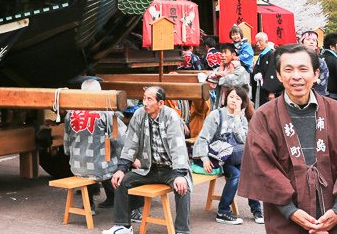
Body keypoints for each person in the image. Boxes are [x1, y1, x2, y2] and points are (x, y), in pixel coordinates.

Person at [238, 44, 337, 234]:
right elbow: (263, 170)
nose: (296, 76)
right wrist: (291, 212)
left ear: (316, 73)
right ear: (279, 75)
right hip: (287, 220)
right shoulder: (264, 118)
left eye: (303, 69)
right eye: (288, 69)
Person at [102, 86, 192, 234]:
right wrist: (121, 169)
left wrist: (181, 174)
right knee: (121, 181)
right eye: (144, 98)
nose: (145, 102)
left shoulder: (171, 116)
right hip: (148, 168)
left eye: (149, 99)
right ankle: (123, 226)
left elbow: (178, 147)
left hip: (171, 169)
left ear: (161, 103)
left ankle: (182, 231)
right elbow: (130, 142)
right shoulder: (139, 115)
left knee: (183, 187)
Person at [192, 85, 263, 225]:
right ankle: (223, 212)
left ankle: (256, 210)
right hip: (219, 158)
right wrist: (205, 159)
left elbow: (243, 139)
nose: (234, 100)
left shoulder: (242, 119)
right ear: (225, 98)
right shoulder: (216, 115)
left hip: (235, 156)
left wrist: (237, 117)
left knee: (251, 172)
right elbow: (203, 138)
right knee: (236, 175)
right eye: (231, 97)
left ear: (243, 102)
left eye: (238, 98)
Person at [63, 77, 126, 210]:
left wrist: (70, 153)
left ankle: (89, 204)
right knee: (113, 162)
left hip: (77, 166)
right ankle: (119, 201)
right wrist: (127, 158)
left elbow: (67, 143)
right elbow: (120, 140)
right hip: (101, 168)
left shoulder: (70, 113)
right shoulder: (106, 113)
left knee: (89, 160)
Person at [251, 33, 282, 106]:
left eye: (260, 41)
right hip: (260, 88)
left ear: (266, 41)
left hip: (267, 90)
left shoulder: (271, 54)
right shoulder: (262, 54)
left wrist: (271, 91)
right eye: (256, 42)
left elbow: (272, 73)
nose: (257, 44)